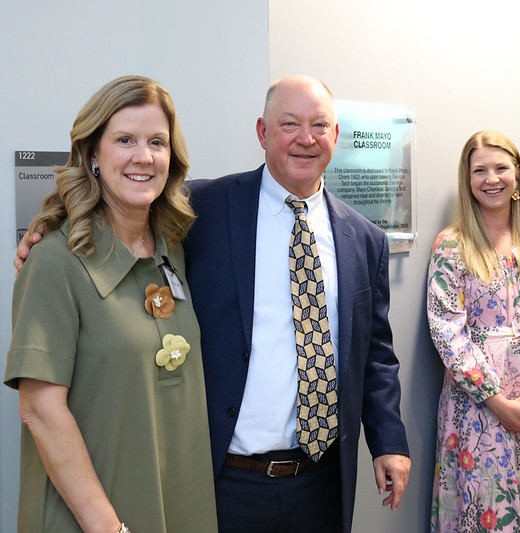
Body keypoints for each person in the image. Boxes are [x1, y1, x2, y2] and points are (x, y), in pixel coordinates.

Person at [15, 75, 411, 533]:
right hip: (223, 482)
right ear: (263, 133)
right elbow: (123, 201)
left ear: (336, 136)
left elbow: (376, 353)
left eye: (319, 125)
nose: (305, 139)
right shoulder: (202, 209)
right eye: (289, 124)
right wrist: (49, 228)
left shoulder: (365, 239)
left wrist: (389, 441)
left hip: (320, 481)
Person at [4, 75, 217, 532]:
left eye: (156, 142)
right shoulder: (54, 261)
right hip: (93, 519)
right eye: (125, 140)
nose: (143, 156)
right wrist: (110, 528)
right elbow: (39, 410)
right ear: (93, 154)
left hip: (174, 504)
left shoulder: (173, 249)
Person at [427, 130, 520, 532]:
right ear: (468, 179)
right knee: (488, 507)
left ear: (517, 175)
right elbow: (447, 331)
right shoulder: (452, 245)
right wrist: (495, 400)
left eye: (501, 168)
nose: (491, 178)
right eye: (480, 170)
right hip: (479, 406)